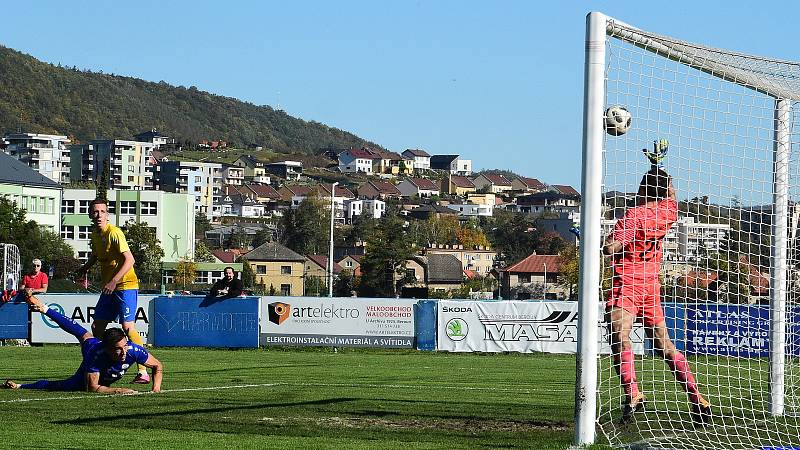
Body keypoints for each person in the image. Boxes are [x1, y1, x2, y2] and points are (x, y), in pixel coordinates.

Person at [603, 142, 711, 426]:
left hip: (627, 285)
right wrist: (659, 166)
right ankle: (697, 397)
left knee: (619, 337)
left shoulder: (632, 217)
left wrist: (604, 243)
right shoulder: (669, 212)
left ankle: (633, 393)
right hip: (652, 287)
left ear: (642, 189)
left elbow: (612, 247)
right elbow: (671, 193)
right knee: (665, 346)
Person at [3, 294, 162, 394]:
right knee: (60, 386)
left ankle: (43, 308)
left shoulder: (134, 350)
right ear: (107, 348)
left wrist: (156, 389)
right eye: (118, 349)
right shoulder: (95, 353)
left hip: (99, 355)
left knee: (82, 333)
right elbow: (93, 388)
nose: (124, 352)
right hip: (88, 369)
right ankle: (20, 386)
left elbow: (157, 366)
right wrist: (118, 390)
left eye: (125, 346)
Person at [74, 198, 150, 384]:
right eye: (95, 212)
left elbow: (130, 260)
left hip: (125, 285)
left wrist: (114, 281)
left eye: (102, 212)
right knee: (96, 328)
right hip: (110, 286)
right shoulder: (95, 234)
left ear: (107, 215)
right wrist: (85, 268)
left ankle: (143, 371)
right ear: (90, 215)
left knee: (127, 327)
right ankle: (101, 362)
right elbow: (97, 255)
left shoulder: (115, 233)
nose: (98, 215)